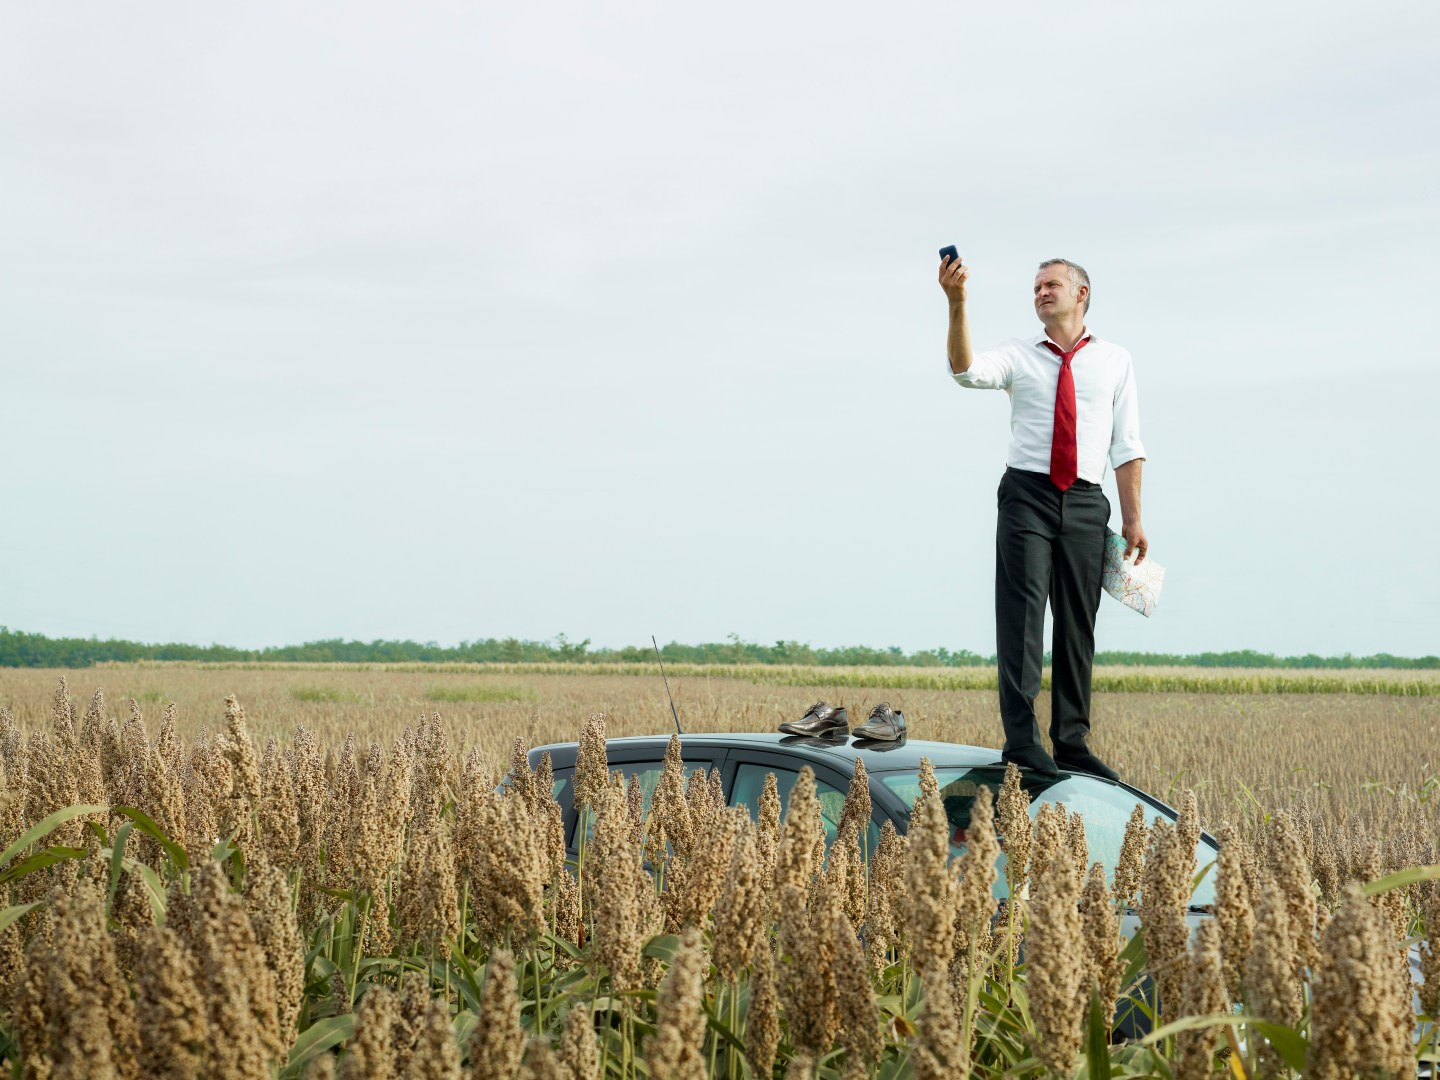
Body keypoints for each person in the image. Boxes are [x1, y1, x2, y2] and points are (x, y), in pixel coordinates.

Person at [938, 255, 1147, 780]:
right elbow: (965, 371)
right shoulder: (1017, 353)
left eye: (1051, 284)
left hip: (1085, 500)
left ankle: (1072, 742)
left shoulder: (1116, 360)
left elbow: (1127, 446)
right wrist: (957, 303)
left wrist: (1133, 520)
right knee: (1023, 620)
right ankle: (1022, 742)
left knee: (1078, 626)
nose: (1040, 293)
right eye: (1035, 287)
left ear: (1082, 294)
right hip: (1027, 494)